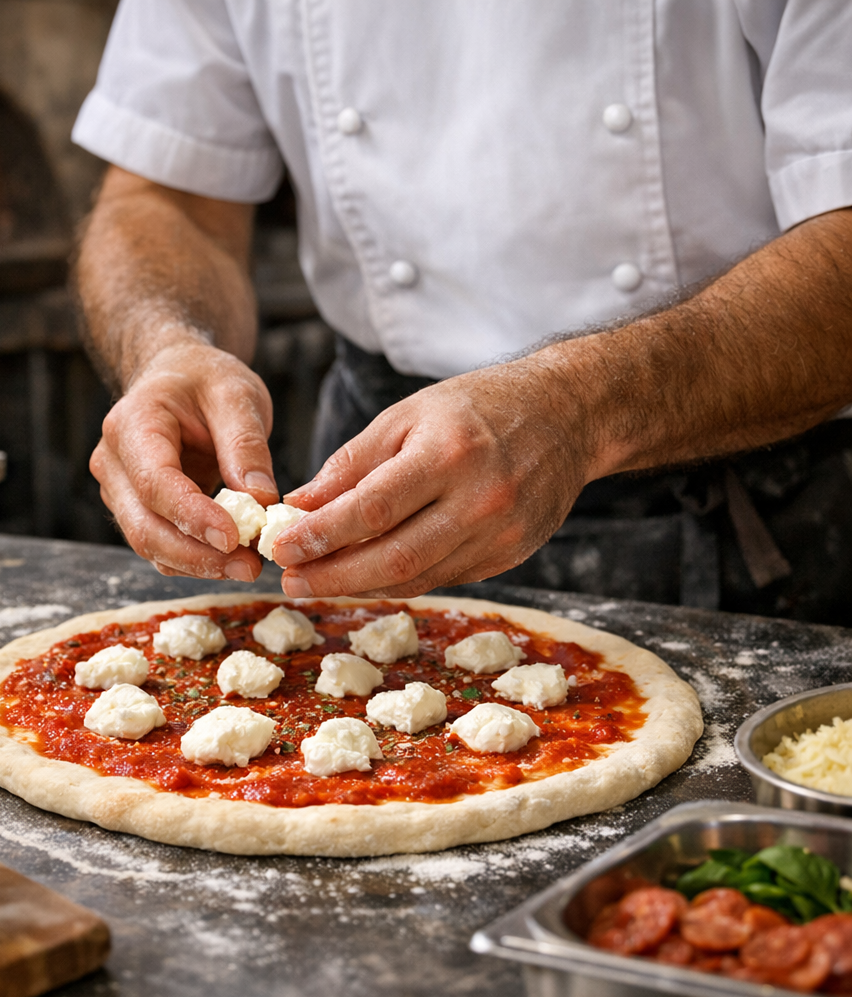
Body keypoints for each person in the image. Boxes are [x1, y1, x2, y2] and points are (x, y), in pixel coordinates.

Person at [71, 1, 852, 622]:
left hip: (727, 487)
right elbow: (167, 193)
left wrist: (579, 407)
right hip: (369, 482)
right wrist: (167, 347)